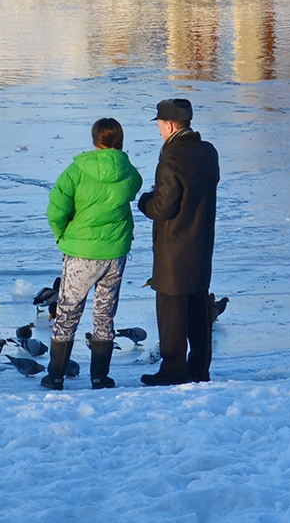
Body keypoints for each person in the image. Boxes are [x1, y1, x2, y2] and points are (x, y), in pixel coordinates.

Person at [43, 118, 142, 390]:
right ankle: (100, 377)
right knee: (104, 314)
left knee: (67, 312)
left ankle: (55, 376)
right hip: (115, 252)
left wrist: (62, 236)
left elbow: (56, 210)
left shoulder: (75, 171)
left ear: (94, 139)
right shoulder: (129, 172)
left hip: (81, 253)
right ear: (120, 140)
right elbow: (133, 189)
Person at [138, 98, 219, 386]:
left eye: (160, 125)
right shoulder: (208, 152)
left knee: (171, 311)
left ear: (170, 125)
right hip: (201, 241)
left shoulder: (171, 158)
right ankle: (198, 368)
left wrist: (144, 201)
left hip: (174, 247)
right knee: (198, 307)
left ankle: (173, 370)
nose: (159, 131)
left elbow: (163, 207)